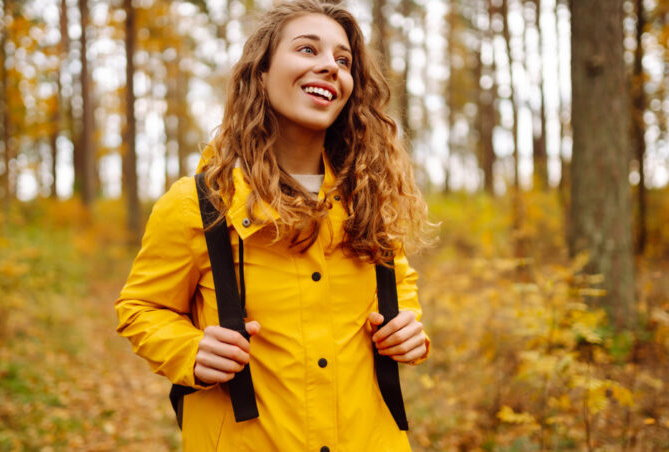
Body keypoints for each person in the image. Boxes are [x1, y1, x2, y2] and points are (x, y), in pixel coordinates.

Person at [115, 1, 432, 450]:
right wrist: (189, 350)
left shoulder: (370, 201)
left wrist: (410, 332)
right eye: (308, 49)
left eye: (343, 61)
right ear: (260, 72)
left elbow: (401, 295)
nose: (329, 66)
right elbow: (140, 309)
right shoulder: (199, 204)